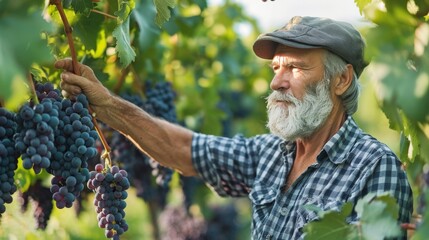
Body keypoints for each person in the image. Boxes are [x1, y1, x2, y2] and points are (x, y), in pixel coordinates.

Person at [55, 16, 413, 239]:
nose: (277, 83)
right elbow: (185, 150)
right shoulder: (271, 153)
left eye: (297, 68)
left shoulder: (374, 167)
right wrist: (105, 104)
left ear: (341, 80)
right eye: (276, 69)